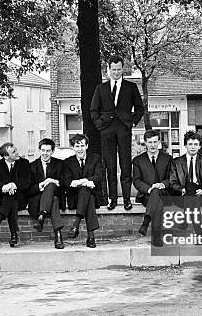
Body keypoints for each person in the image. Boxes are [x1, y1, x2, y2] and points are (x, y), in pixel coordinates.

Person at [90, 55, 145, 211]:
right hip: (106, 130)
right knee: (110, 166)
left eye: (119, 69)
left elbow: (140, 108)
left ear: (123, 69)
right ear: (109, 70)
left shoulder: (131, 87)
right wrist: (99, 124)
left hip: (124, 129)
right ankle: (112, 199)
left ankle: (127, 199)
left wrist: (132, 121)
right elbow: (93, 110)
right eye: (113, 70)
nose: (116, 72)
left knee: (126, 165)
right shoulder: (101, 88)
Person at [132, 130, 172, 246]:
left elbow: (172, 178)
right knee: (157, 201)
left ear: (159, 142)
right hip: (146, 195)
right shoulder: (138, 160)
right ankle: (156, 236)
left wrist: (162, 184)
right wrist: (150, 189)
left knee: (158, 195)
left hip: (164, 193)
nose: (153, 145)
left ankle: (146, 222)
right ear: (145, 143)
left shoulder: (168, 159)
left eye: (155, 142)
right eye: (150, 142)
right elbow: (137, 181)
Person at [63, 134, 103, 248]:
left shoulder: (95, 159)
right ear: (73, 148)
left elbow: (99, 176)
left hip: (94, 196)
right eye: (77, 146)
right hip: (75, 197)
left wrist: (83, 181)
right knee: (87, 194)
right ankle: (91, 236)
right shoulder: (67, 162)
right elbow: (66, 181)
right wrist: (83, 182)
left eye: (82, 146)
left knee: (87, 193)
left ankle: (76, 224)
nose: (80, 149)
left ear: (87, 146)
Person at [27, 138, 65, 249]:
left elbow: (65, 183)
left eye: (48, 151)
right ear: (39, 150)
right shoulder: (32, 166)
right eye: (43, 150)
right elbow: (28, 189)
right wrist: (41, 185)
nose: (45, 153)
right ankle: (58, 235)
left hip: (56, 192)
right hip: (38, 199)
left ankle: (42, 216)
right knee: (54, 200)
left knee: (51, 185)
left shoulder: (60, 164)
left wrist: (53, 181)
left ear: (52, 151)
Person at [170, 131, 202, 240]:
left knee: (193, 196)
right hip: (182, 193)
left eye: (196, 144)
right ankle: (198, 233)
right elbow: (172, 182)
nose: (193, 147)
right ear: (185, 145)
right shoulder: (176, 162)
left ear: (200, 146)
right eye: (190, 144)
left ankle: (186, 221)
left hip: (199, 193)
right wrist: (180, 189)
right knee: (190, 195)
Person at [0, 142, 31, 247]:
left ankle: (0, 218)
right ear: (6, 156)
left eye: (16, 150)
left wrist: (13, 185)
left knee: (12, 198)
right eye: (13, 152)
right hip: (4, 199)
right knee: (11, 201)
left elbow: (26, 182)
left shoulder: (24, 163)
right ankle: (14, 234)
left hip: (20, 198)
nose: (17, 153)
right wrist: (4, 188)